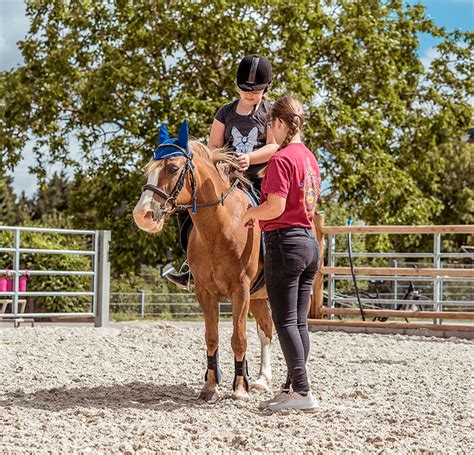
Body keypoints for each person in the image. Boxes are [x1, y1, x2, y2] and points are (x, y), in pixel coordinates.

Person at [165, 54, 279, 288]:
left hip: (255, 177)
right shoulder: (225, 112)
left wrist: (249, 157)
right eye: (245, 88)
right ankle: (190, 265)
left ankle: (270, 262)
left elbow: (274, 145)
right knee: (190, 207)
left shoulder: (269, 112)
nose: (249, 93)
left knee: (267, 212)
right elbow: (214, 146)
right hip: (225, 176)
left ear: (266, 88)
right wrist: (222, 162)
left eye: (255, 90)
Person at [241, 95, 321, 412]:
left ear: (277, 123)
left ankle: (302, 391)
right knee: (298, 323)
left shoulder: (281, 159)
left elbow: (274, 206)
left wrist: (251, 213)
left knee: (285, 322)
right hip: (309, 242)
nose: (267, 135)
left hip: (285, 243)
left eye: (268, 127)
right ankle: (291, 386)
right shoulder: (310, 159)